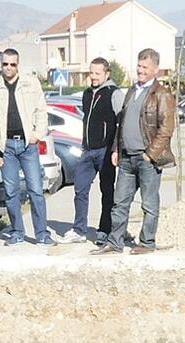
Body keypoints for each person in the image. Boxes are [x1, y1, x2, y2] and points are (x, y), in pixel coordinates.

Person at [92, 48, 176, 256]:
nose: (140, 70)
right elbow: (120, 124)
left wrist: (150, 154)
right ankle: (115, 242)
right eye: (139, 66)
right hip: (126, 158)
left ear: (155, 69)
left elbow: (166, 128)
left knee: (149, 204)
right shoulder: (131, 91)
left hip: (147, 159)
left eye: (145, 67)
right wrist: (116, 149)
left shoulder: (162, 94)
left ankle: (147, 242)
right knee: (119, 203)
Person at [0, 48, 54, 246]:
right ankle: (17, 232)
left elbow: (41, 111)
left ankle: (42, 233)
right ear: (1, 65)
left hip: (27, 144)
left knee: (36, 190)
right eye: (5, 64)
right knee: (11, 191)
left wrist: (36, 135)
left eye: (12, 64)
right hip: (6, 147)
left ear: (18, 65)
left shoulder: (31, 83)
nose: (8, 68)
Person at [61, 57, 124, 244]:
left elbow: (121, 123)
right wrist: (84, 145)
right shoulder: (87, 93)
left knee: (107, 191)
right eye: (91, 73)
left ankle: (104, 230)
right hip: (88, 150)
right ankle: (79, 230)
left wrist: (116, 149)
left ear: (107, 74)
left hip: (106, 151)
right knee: (80, 189)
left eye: (97, 73)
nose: (93, 77)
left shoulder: (114, 93)